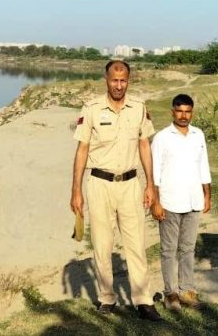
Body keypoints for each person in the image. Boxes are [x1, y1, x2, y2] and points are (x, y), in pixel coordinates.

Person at [69, 58, 162, 321]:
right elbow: (82, 149)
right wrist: (76, 190)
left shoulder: (139, 108)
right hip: (99, 184)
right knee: (102, 244)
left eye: (123, 80)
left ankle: (143, 301)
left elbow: (145, 145)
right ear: (106, 80)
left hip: (131, 184)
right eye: (114, 80)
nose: (118, 85)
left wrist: (150, 185)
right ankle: (106, 298)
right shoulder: (91, 109)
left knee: (136, 245)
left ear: (128, 81)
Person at [149, 94, 212, 312]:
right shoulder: (162, 138)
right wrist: (155, 202)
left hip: (193, 199)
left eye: (187, 111)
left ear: (192, 112)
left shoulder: (198, 135)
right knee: (168, 250)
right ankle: (170, 294)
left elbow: (203, 165)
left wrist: (207, 194)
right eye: (179, 111)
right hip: (169, 201)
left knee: (188, 248)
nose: (183, 115)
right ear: (172, 112)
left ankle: (187, 290)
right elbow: (154, 172)